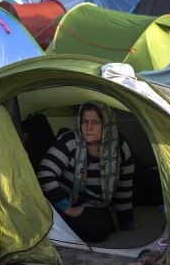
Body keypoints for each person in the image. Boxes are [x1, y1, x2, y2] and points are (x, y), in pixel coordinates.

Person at [37, 101, 135, 242]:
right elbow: (44, 174)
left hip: (96, 204)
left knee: (97, 227)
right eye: (84, 122)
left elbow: (124, 188)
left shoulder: (120, 148)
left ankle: (59, 224)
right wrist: (67, 208)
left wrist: (127, 223)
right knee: (37, 211)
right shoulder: (69, 141)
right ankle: (58, 220)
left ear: (107, 125)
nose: (89, 127)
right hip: (62, 198)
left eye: (95, 122)